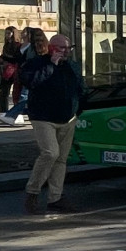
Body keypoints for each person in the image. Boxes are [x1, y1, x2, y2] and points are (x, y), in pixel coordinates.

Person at [20, 33, 84, 215]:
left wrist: (78, 109)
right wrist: (51, 65)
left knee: (61, 159)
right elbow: (31, 82)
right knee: (50, 153)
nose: (66, 52)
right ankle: (32, 192)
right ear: (51, 48)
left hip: (68, 118)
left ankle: (55, 197)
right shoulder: (37, 63)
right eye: (61, 48)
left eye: (68, 48)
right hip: (43, 117)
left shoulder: (72, 66)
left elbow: (80, 88)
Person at [0, 28, 47, 125]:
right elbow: (17, 59)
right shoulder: (29, 47)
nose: (22, 33)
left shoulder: (32, 48)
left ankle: (12, 115)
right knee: (28, 98)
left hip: (31, 76)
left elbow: (29, 62)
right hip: (27, 76)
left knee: (25, 97)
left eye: (25, 31)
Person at [0, 26, 23, 113]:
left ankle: (17, 111)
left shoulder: (17, 45)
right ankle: (3, 111)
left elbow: (16, 59)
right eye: (6, 33)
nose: (7, 35)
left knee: (16, 92)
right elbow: (5, 57)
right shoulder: (7, 45)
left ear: (13, 34)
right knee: (4, 92)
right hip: (6, 71)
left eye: (9, 33)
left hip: (14, 70)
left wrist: (5, 60)